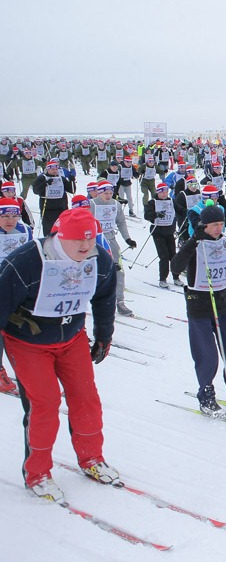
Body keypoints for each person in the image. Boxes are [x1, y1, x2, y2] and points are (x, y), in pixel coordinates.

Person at [0, 207, 119, 501]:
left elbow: (105, 297)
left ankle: (91, 458)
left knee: (86, 397)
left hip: (72, 337)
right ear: (59, 237)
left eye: (90, 240)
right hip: (28, 341)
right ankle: (38, 471)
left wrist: (104, 334)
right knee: (45, 403)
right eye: (78, 240)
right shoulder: (27, 261)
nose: (85, 246)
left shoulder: (99, 260)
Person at [171, 203, 226, 416]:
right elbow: (175, 267)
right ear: (204, 225)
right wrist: (193, 241)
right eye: (214, 225)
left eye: (221, 224)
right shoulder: (196, 244)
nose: (218, 228)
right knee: (207, 355)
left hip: (222, 302)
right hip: (199, 304)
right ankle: (206, 395)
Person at [90, 180, 137, 317]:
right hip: (94, 242)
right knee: (96, 272)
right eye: (106, 193)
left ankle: (120, 302)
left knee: (118, 271)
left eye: (111, 193)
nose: (109, 195)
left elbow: (121, 222)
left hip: (111, 241)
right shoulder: (92, 204)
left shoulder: (115, 205)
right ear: (99, 192)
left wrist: (127, 238)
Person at [0, 197, 32, 393]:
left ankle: (31, 370)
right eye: (4, 216)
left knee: (22, 328)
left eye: (14, 215)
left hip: (18, 287)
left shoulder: (25, 230)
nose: (10, 220)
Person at [144, 181, 182, 288]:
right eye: (163, 192)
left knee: (173, 256)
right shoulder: (153, 202)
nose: (165, 194)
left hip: (169, 232)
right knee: (164, 256)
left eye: (166, 192)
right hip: (158, 233)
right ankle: (163, 279)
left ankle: (176, 277)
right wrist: (156, 215)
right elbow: (147, 215)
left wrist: (188, 212)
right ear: (158, 192)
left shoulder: (171, 201)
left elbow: (180, 210)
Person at [32, 159, 75, 236]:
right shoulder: (42, 177)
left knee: (62, 227)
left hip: (61, 207)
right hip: (48, 208)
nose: (55, 171)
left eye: (56, 169)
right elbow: (35, 190)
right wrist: (45, 184)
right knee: (49, 229)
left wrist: (72, 181)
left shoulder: (61, 178)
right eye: (52, 169)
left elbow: (72, 190)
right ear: (48, 169)